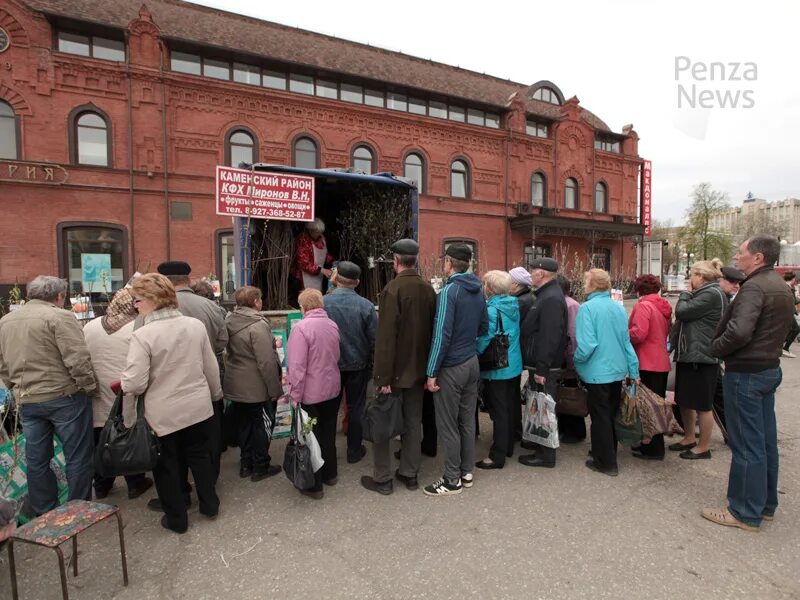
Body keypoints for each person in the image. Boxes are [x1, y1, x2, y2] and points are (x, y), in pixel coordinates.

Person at [704, 235, 794, 531]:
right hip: (767, 368)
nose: (736, 257)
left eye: (741, 253)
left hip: (746, 373)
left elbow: (740, 331)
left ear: (758, 258)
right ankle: (764, 504)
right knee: (764, 442)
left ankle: (744, 511)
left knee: (746, 445)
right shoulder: (780, 286)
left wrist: (716, 348)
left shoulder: (754, 286)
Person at [121, 273, 222, 534]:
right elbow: (210, 366)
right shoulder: (194, 326)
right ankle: (210, 504)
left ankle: (177, 518)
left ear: (153, 300)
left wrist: (124, 384)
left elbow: (134, 384)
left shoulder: (143, 335)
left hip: (163, 412)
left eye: (139, 299)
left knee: (166, 466)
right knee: (200, 457)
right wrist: (215, 395)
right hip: (198, 406)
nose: (136, 305)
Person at [0, 276, 97, 517]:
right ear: (59, 296)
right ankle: (79, 508)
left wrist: (14, 385)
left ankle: (46, 510)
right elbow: (77, 358)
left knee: (37, 458)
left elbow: (3, 364)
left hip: (28, 397)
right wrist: (88, 386)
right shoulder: (59, 317)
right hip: (63, 396)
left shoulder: (6, 320)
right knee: (77, 455)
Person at [362, 239, 437, 495]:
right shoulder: (428, 290)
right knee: (414, 423)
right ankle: (409, 473)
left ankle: (382, 478)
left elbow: (386, 339)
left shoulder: (392, 289)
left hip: (393, 373)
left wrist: (381, 377)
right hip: (419, 371)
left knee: (382, 421)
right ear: (414, 260)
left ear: (396, 261)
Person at [156, 261, 228, 502]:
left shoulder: (151, 312)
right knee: (208, 437)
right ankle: (209, 485)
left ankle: (180, 492)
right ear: (188, 279)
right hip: (205, 380)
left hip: (164, 389)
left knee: (171, 446)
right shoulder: (210, 306)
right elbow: (221, 342)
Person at [423, 244, 488, 496]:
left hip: (451, 366)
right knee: (466, 421)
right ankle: (466, 472)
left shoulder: (450, 292)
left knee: (448, 424)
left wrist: (431, 371)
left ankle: (452, 479)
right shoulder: (478, 290)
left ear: (449, 262)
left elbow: (441, 335)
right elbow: (484, 328)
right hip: (471, 361)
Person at [83, 286, 153, 499]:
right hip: (123, 389)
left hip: (97, 390)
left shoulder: (91, 326)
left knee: (101, 437)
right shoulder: (138, 326)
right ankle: (135, 481)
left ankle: (102, 484)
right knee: (128, 433)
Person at [574, 268, 640, 476]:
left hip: (596, 370)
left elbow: (587, 345)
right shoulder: (618, 308)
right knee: (610, 413)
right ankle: (607, 452)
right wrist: (633, 370)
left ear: (592, 285)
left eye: (586, 281)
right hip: (617, 369)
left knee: (600, 416)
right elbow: (626, 341)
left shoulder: (587, 308)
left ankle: (605, 461)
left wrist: (576, 361)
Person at [224, 286, 284, 482]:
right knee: (262, 425)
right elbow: (266, 361)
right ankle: (261, 466)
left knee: (244, 425)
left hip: (236, 382)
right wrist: (274, 389)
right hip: (255, 385)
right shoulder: (257, 325)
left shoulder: (229, 319)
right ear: (255, 301)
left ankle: (245, 463)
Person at [670, 259, 728, 460]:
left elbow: (682, 312)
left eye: (692, 275)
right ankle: (688, 437)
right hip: (691, 354)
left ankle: (704, 446)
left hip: (702, 357)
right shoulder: (706, 293)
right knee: (685, 400)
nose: (690, 279)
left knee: (703, 405)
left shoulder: (711, 294)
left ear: (700, 276)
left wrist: (685, 293)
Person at [286, 288, 341, 499]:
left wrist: (295, 394)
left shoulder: (301, 329)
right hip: (332, 388)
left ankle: (315, 485)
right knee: (328, 434)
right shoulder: (332, 325)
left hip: (311, 393)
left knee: (311, 438)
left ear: (303, 307)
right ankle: (331, 474)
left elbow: (297, 367)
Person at [323, 261, 377, 464]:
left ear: (337, 279)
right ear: (357, 282)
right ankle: (354, 451)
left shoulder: (323, 302)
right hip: (358, 364)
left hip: (330, 365)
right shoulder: (366, 306)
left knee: (329, 410)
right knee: (356, 408)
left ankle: (327, 453)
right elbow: (374, 339)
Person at [518, 258, 568, 468]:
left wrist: (542, 367)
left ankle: (546, 455)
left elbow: (550, 336)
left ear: (543, 274)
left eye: (533, 271)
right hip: (541, 364)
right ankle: (539, 445)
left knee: (545, 409)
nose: (530, 275)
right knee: (537, 407)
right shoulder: (545, 295)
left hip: (546, 366)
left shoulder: (551, 299)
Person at [475, 271, 523, 469]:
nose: (483, 287)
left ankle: (497, 455)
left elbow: (484, 338)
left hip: (498, 368)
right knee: (510, 406)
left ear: (491, 288)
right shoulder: (513, 304)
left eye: (485, 284)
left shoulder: (492, 310)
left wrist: (474, 352)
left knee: (499, 410)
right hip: (513, 364)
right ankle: (509, 445)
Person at [627, 274, 672, 460]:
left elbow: (639, 334)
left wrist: (623, 333)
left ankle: (652, 448)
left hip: (646, 360)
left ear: (639, 289)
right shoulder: (663, 306)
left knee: (647, 406)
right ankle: (654, 445)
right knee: (657, 404)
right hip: (660, 360)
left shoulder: (644, 305)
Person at [556, 275, 585, 444]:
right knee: (565, 392)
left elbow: (572, 334)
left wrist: (571, 359)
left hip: (569, 358)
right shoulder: (569, 303)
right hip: (568, 356)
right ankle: (568, 429)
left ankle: (574, 431)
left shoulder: (570, 305)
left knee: (570, 394)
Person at [292, 218, 334, 295]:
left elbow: (325, 253)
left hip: (319, 275)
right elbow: (303, 263)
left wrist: (332, 262)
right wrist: (321, 270)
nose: (320, 234)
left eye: (321, 232)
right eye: (317, 232)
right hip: (304, 276)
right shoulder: (302, 240)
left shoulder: (321, 238)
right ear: (311, 230)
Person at [781, 272, 799, 358]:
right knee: (796, 329)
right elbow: (793, 301)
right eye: (794, 279)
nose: (795, 280)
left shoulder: (785, 286)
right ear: (792, 279)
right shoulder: (788, 288)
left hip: (786, 312)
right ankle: (785, 348)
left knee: (790, 329)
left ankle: (782, 346)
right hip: (787, 312)